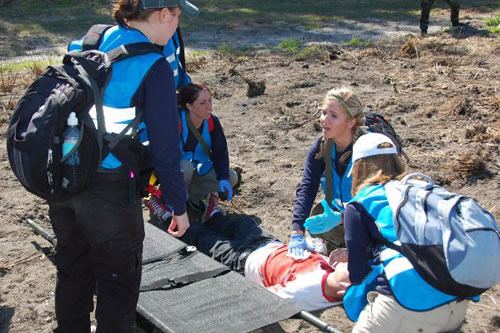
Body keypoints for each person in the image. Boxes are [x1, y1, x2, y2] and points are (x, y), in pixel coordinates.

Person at [48, 1, 199, 332]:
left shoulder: (90, 40)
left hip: (64, 178)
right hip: (110, 191)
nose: (178, 25)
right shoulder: (153, 65)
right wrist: (178, 206)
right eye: (177, 15)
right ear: (163, 14)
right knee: (118, 280)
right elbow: (165, 149)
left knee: (72, 267)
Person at [342, 133, 468, 333]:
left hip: (407, 305)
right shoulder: (424, 189)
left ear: (359, 167)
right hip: (457, 302)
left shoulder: (361, 204)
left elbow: (357, 274)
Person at [179, 212, 351, 312]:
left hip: (245, 260)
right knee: (243, 223)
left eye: (353, 269)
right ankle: (209, 214)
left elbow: (263, 301)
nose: (353, 263)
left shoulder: (308, 290)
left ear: (344, 289)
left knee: (205, 239)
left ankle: (169, 218)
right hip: (268, 243)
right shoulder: (334, 273)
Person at [288, 87, 365, 259]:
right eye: (323, 113)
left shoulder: (367, 152)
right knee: (315, 220)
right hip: (339, 215)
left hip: (367, 221)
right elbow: (307, 188)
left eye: (333, 116)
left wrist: (343, 219)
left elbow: (377, 207)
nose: (324, 120)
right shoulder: (321, 147)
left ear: (351, 122)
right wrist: (296, 230)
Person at [177, 82, 239, 221]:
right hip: (177, 174)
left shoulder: (212, 122)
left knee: (231, 177)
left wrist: (223, 177)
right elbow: (167, 157)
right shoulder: (176, 121)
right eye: (203, 102)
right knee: (185, 167)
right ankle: (174, 202)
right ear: (189, 106)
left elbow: (220, 152)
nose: (209, 106)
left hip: (198, 171)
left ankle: (196, 198)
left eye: (210, 100)